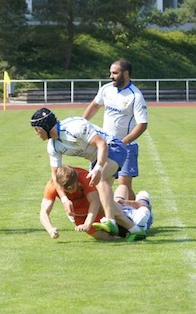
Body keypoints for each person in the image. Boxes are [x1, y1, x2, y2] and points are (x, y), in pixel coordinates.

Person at [30, 107, 146, 240]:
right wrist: (64, 199)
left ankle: (111, 221)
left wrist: (98, 169)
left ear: (45, 127)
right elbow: (55, 176)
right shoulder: (53, 146)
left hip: (113, 147)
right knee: (103, 202)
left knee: (99, 179)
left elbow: (102, 144)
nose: (36, 133)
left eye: (37, 129)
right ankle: (135, 230)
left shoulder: (74, 127)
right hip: (97, 159)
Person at [83, 59, 148, 200]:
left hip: (127, 146)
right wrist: (82, 122)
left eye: (115, 73)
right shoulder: (106, 89)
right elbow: (95, 105)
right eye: (110, 73)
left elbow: (142, 124)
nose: (111, 76)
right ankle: (133, 209)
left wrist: (123, 142)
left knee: (123, 184)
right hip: (104, 145)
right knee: (100, 181)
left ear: (126, 73)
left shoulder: (135, 96)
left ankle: (132, 211)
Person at [41, 165, 115, 241]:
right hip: (78, 215)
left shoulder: (84, 177)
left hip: (98, 209)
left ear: (77, 181)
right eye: (67, 190)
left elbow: (95, 202)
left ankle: (125, 215)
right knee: (104, 237)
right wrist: (50, 229)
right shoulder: (52, 186)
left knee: (117, 227)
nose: (71, 192)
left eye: (72, 187)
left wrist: (87, 224)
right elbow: (44, 212)